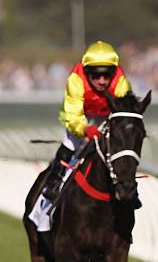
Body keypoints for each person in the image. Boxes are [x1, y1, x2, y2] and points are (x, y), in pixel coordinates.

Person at [42, 41, 131, 201]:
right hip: (82, 115)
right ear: (87, 72)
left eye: (107, 75)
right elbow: (73, 115)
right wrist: (85, 129)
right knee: (72, 142)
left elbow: (124, 114)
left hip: (108, 115)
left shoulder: (120, 82)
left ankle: (129, 187)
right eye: (96, 75)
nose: (102, 81)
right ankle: (54, 182)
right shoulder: (76, 79)